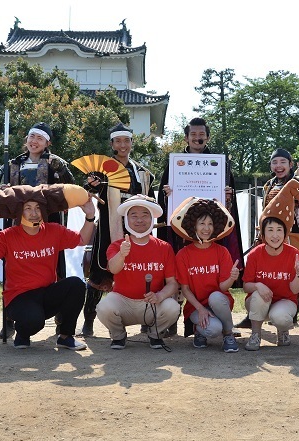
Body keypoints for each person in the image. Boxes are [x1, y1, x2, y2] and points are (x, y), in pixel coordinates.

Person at [0, 183, 95, 350]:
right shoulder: (8, 235)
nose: (34, 213)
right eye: (28, 208)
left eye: (38, 208)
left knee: (76, 284)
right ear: (19, 211)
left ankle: (66, 336)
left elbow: (82, 240)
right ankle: (22, 333)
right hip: (18, 297)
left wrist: (89, 216)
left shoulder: (53, 230)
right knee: (34, 321)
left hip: (46, 293)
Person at [156, 117, 244, 335]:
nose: (197, 138)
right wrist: (168, 195)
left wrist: (228, 196)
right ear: (186, 137)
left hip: (209, 230)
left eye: (201, 134)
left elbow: (227, 204)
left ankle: (205, 321)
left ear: (207, 137)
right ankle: (173, 322)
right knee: (181, 275)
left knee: (207, 275)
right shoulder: (175, 163)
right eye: (193, 134)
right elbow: (164, 200)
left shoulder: (220, 163)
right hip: (182, 232)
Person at [0, 122, 74, 340]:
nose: (34, 141)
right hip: (18, 226)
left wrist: (60, 169)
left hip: (48, 225)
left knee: (56, 267)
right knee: (13, 267)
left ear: (47, 143)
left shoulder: (55, 163)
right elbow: (0, 191)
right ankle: (10, 321)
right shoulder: (13, 164)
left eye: (40, 138)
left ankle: (62, 321)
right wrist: (4, 190)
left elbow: (70, 187)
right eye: (32, 136)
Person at [81, 122, 154, 338]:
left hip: (136, 226)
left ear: (132, 143)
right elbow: (88, 192)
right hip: (108, 226)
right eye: (118, 141)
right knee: (100, 270)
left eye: (126, 140)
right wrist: (92, 184)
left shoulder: (141, 171)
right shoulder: (103, 169)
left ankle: (145, 317)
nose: (123, 145)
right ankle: (88, 320)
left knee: (141, 269)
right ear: (112, 144)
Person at [96, 195, 179, 350]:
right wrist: (122, 254)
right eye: (134, 216)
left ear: (152, 218)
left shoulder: (164, 247)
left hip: (152, 303)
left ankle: (155, 335)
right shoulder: (117, 246)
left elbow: (173, 284)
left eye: (144, 215)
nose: (139, 220)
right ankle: (118, 336)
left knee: (172, 307)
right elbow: (113, 269)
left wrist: (160, 296)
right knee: (103, 307)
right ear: (127, 219)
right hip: (123, 302)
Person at [243, 180, 299, 351]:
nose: (275, 235)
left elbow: (295, 290)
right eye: (270, 230)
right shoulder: (255, 254)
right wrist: (259, 285)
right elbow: (246, 286)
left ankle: (283, 331)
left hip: (285, 301)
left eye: (279, 230)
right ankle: (255, 335)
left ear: (285, 233)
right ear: (263, 233)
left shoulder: (293, 253)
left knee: (280, 317)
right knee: (258, 296)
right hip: (259, 301)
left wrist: (298, 274)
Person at [260, 148, 299, 333]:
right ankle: (262, 316)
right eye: (274, 162)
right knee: (271, 277)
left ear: (290, 164)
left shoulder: (296, 181)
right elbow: (266, 210)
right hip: (271, 239)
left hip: (295, 237)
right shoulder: (269, 185)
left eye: (282, 162)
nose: (278, 166)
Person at [171, 197, 240, 352]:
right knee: (214, 329)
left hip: (219, 302)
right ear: (193, 225)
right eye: (202, 223)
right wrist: (201, 309)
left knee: (215, 297)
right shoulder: (183, 255)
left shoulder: (222, 252)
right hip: (195, 306)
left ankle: (228, 334)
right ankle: (199, 330)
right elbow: (185, 289)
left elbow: (223, 287)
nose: (206, 228)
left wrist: (231, 278)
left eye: (210, 224)